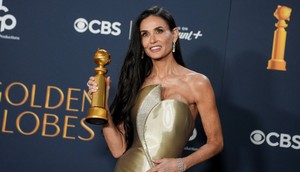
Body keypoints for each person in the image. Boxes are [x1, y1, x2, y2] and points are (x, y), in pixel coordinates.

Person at [87, 5, 223, 172]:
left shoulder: (197, 83)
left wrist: (181, 164)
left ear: (174, 35)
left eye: (158, 31)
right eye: (145, 34)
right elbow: (118, 149)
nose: (152, 40)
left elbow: (216, 142)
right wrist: (102, 106)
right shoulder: (135, 82)